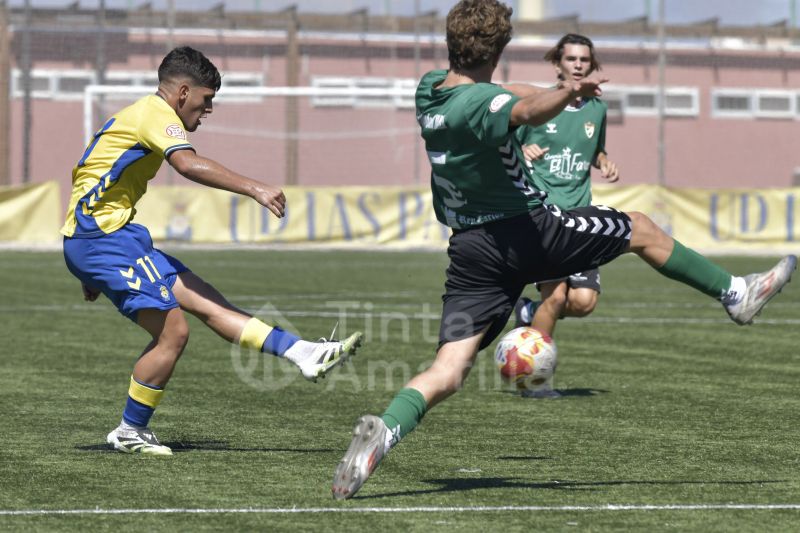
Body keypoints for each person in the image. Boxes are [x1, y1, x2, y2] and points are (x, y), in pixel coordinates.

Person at [330, 0, 795, 500]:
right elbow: (523, 108)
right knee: (640, 226)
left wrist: (561, 91)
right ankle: (734, 293)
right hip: (528, 230)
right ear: (501, 49)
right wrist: (564, 94)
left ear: (450, 44)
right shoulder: (483, 105)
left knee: (449, 368)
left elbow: (515, 95)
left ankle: (386, 431)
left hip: (471, 250)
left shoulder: (430, 90)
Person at [61, 47, 362, 456]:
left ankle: (301, 352)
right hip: (101, 240)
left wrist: (88, 268)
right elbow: (186, 165)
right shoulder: (155, 114)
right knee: (174, 332)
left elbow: (85, 172)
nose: (209, 110)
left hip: (111, 238)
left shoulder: (141, 114)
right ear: (183, 92)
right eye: (206, 100)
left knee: (203, 297)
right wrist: (255, 187)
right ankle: (130, 430)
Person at [511, 33, 619, 398]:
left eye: (583, 60)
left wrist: (603, 161)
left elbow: (594, 149)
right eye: (570, 59)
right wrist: (523, 149)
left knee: (583, 303)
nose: (577, 65)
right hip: (545, 214)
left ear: (592, 66)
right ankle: (534, 381)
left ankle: (527, 314)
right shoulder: (538, 103)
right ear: (557, 64)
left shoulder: (597, 109)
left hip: (582, 216)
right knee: (555, 299)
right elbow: (505, 141)